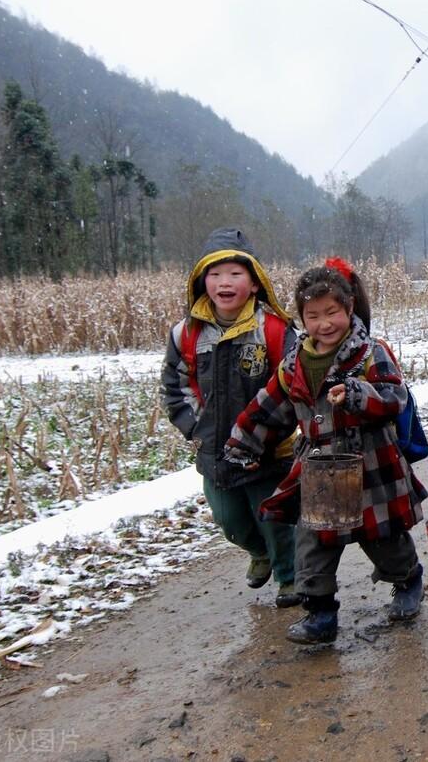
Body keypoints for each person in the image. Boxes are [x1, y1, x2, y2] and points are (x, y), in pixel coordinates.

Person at [224, 258, 427, 644]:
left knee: (383, 538)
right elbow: (269, 408)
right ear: (301, 318)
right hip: (318, 468)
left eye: (332, 312)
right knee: (313, 542)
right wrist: (241, 443)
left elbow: (394, 398)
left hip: (371, 464)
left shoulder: (370, 353)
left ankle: (407, 579)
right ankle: (320, 614)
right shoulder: (294, 364)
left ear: (350, 309)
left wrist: (355, 394)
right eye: (313, 315)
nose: (324, 323)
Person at [161, 227, 300, 608]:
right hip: (215, 450)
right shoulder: (186, 334)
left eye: (236, 274)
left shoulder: (273, 331)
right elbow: (176, 387)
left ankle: (290, 578)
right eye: (215, 274)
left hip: (267, 451)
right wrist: (197, 429)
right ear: (202, 281)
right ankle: (260, 554)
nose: (225, 282)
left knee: (275, 518)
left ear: (255, 284)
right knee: (229, 520)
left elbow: (291, 387)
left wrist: (264, 433)